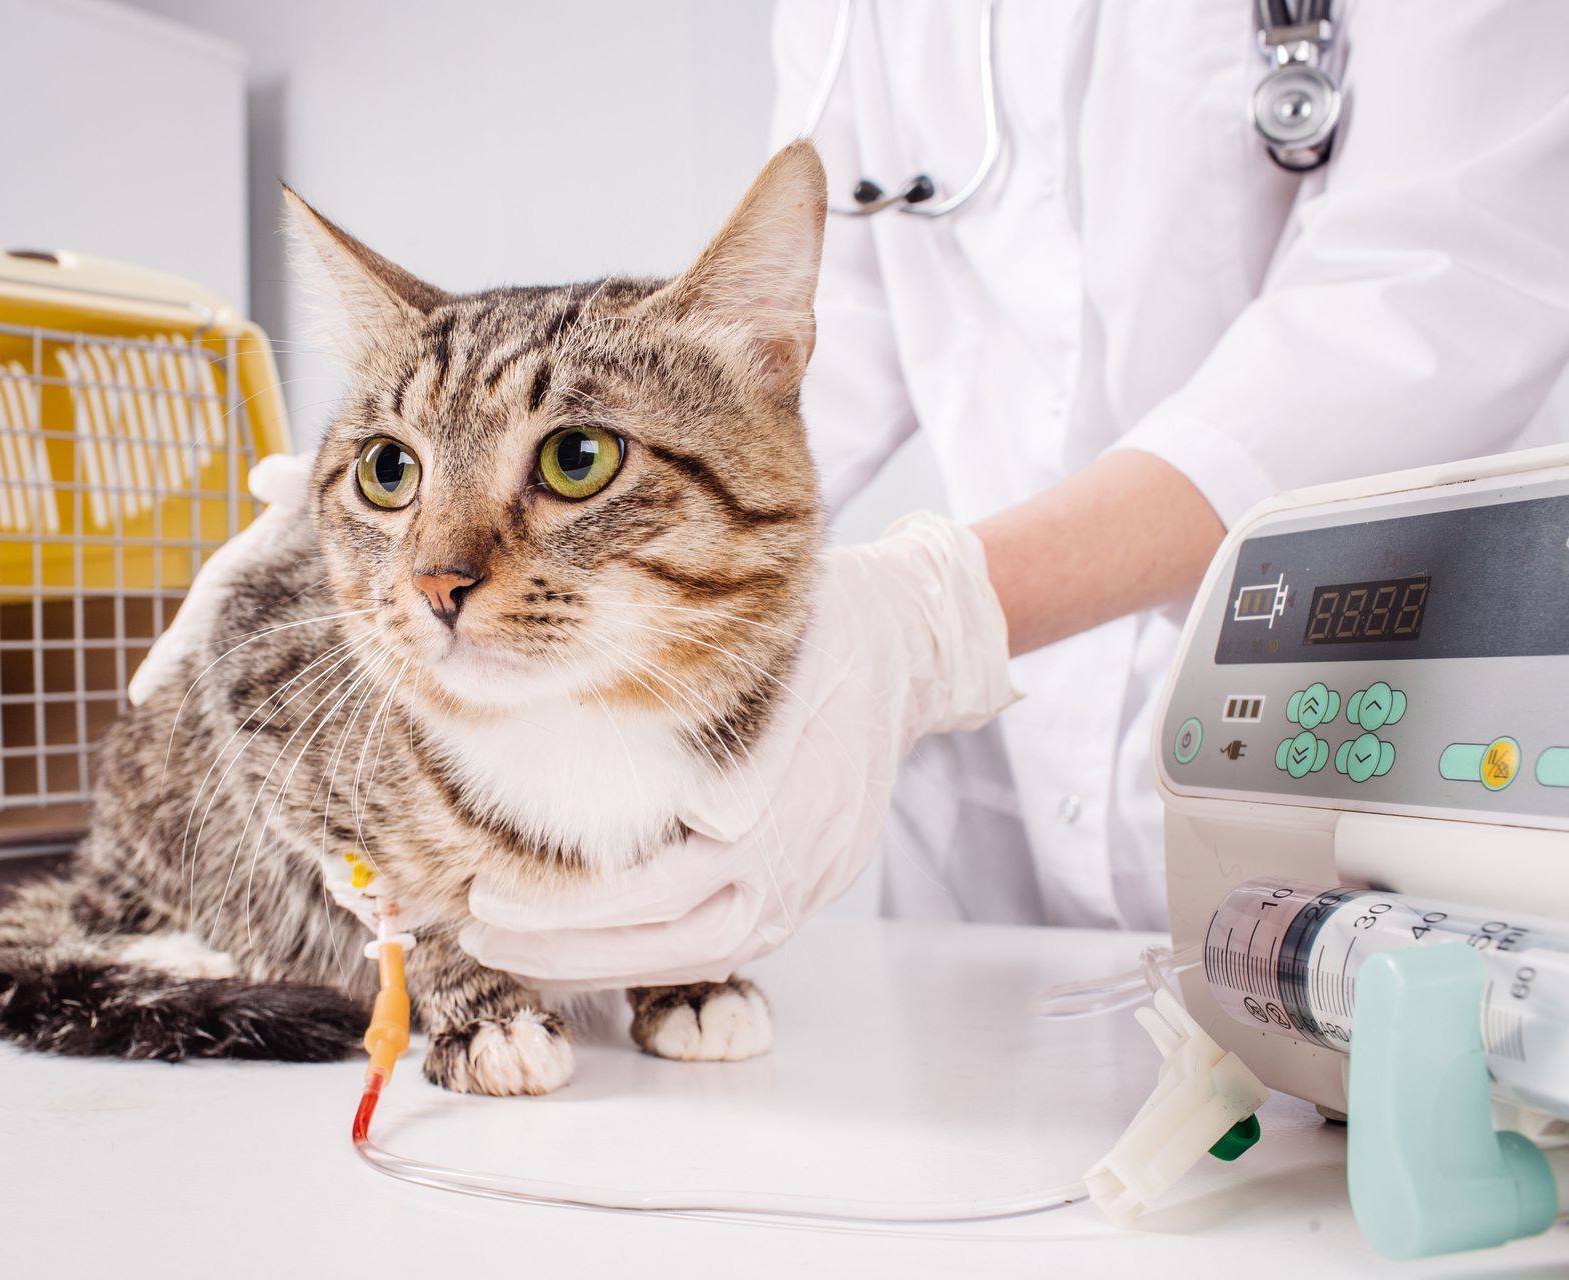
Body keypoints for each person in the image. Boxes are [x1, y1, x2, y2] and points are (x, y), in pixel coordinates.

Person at [138, 0, 1569, 992]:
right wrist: (364, 520)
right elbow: (818, 325)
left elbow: (1437, 296)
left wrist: (941, 616)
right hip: (1001, 827)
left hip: (1388, 730)